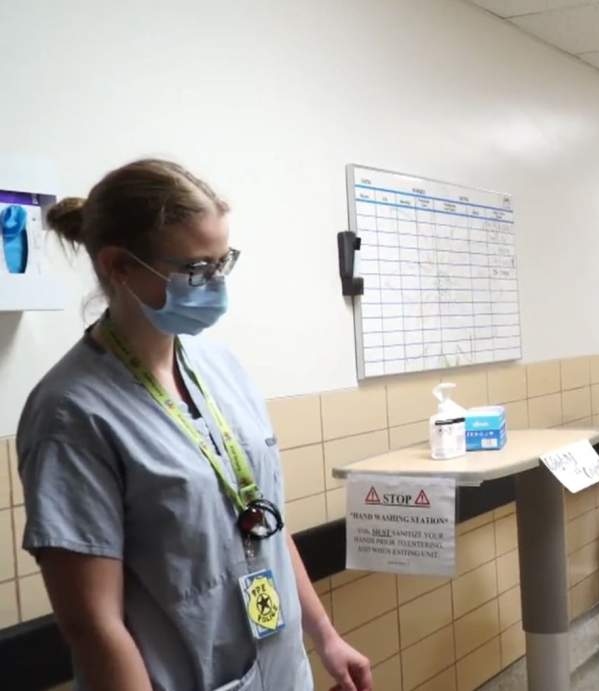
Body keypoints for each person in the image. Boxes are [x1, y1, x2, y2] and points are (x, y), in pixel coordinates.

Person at [17, 160, 372, 691]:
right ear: (119, 267)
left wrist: (324, 633)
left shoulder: (219, 368)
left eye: (223, 263)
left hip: (278, 670)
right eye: (197, 270)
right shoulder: (71, 412)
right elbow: (93, 624)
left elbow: (260, 520)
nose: (217, 285)